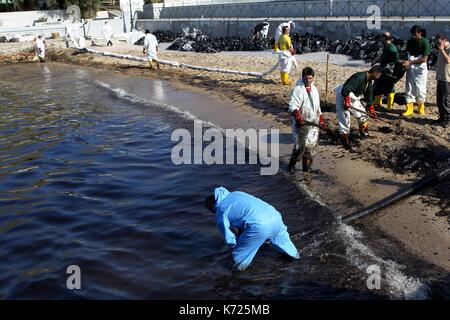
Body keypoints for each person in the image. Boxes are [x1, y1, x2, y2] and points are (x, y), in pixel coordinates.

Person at [205, 187, 300, 271]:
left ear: (213, 208)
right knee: (286, 246)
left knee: (239, 257)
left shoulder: (220, 211)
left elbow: (229, 238)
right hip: (275, 216)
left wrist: (236, 247)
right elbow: (245, 215)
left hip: (259, 226)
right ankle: (297, 262)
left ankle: (240, 278)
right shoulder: (236, 193)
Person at [287, 67, 326, 173]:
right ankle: (291, 166)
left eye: (310, 78)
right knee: (300, 147)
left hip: (313, 123)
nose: (308, 81)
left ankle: (306, 170)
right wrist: (298, 116)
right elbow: (292, 105)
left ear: (313, 78)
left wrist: (321, 118)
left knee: (311, 148)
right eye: (306, 78)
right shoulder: (298, 89)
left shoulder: (315, 89)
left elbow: (317, 107)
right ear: (302, 77)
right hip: (301, 124)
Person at [335, 65, 382, 149]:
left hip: (352, 96)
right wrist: (347, 101)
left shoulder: (369, 81)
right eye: (378, 75)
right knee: (345, 118)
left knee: (363, 115)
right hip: (343, 94)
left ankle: (364, 134)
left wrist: (371, 110)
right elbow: (345, 89)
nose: (378, 77)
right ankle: (345, 140)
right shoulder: (359, 77)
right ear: (374, 73)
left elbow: (369, 95)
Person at [402, 25, 431, 116]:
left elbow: (424, 59)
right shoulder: (410, 41)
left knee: (420, 88)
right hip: (411, 66)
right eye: (412, 35)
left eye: (415, 35)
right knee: (409, 86)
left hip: (420, 68)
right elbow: (407, 53)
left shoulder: (424, 42)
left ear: (420, 33)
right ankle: (409, 108)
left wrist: (410, 61)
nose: (414, 36)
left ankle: (420, 107)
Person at [374, 31, 400, 109]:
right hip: (383, 69)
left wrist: (389, 68)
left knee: (390, 87)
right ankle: (378, 102)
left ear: (384, 38)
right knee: (379, 84)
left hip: (389, 70)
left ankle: (389, 106)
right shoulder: (386, 46)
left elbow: (395, 60)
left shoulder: (392, 48)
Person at [433, 33, 450, 128]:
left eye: (439, 42)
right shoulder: (440, 48)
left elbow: (448, 60)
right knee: (439, 99)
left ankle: (448, 119)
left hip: (447, 79)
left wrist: (442, 50)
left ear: (444, 40)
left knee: (446, 100)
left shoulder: (448, 48)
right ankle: (442, 117)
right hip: (440, 77)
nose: (438, 44)